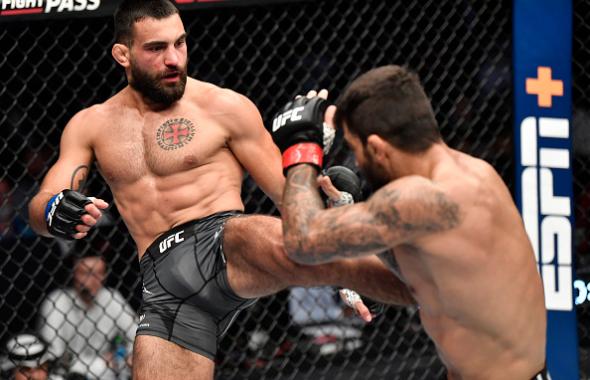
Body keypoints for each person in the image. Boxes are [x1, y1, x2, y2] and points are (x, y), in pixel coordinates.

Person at [28, 1, 412, 379]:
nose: (174, 59)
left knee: (255, 234)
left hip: (221, 244)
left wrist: (342, 254)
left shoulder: (224, 107)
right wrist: (54, 211)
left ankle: (430, 282)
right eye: (157, 48)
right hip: (164, 290)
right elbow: (42, 204)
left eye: (180, 43)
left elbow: (288, 199)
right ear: (122, 54)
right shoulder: (90, 125)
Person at [272, 65, 547, 379]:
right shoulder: (474, 172)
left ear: (377, 148)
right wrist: (347, 210)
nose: (358, 162)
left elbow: (301, 240)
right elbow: (422, 268)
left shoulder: (422, 199)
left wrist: (302, 150)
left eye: (357, 149)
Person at [38, 244, 136, 380]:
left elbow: (137, 336)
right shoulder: (57, 301)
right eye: (86, 273)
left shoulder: (111, 297)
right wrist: (99, 363)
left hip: (107, 373)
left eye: (99, 273)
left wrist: (124, 356)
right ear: (73, 274)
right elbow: (52, 355)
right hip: (68, 374)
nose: (93, 280)